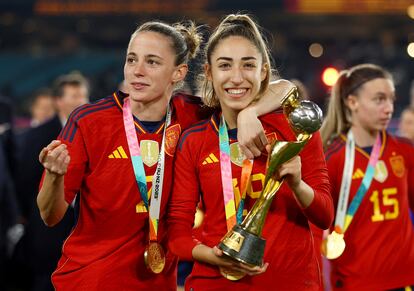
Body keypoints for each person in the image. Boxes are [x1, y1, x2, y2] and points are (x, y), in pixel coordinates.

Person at [37, 20, 296, 290]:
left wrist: (249, 113)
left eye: (152, 62)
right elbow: (50, 215)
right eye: (132, 59)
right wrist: (55, 176)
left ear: (178, 72)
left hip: (159, 282)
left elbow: (286, 88)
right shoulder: (89, 121)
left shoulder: (193, 115)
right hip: (90, 278)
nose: (137, 71)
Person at [168, 14, 333, 291]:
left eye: (248, 65)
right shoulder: (194, 139)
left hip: (290, 282)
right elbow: (177, 235)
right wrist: (217, 257)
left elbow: (325, 215)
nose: (236, 77)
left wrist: (297, 184)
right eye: (224, 65)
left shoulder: (293, 128)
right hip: (216, 283)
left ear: (264, 71)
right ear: (209, 72)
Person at [321, 64, 414, 290]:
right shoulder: (331, 158)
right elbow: (317, 227)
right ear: (352, 102)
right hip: (356, 282)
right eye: (379, 100)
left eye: (391, 99)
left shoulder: (405, 151)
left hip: (406, 280)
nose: (389, 108)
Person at [13, 73, 89, 291]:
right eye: (74, 96)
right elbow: (25, 180)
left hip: (83, 227)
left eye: (83, 96)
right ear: (58, 101)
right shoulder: (38, 135)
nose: (80, 101)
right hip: (47, 229)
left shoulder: (93, 131)